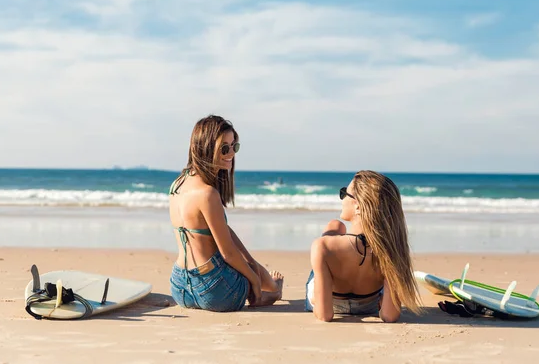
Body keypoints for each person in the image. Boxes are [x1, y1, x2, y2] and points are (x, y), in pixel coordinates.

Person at [169, 115, 283, 312]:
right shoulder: (207, 194)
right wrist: (254, 279)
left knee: (250, 265)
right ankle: (270, 293)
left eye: (234, 146)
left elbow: (221, 229)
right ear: (205, 147)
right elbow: (228, 253)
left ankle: (269, 285)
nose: (231, 153)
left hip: (179, 286)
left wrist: (249, 261)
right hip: (214, 291)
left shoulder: (177, 184)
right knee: (258, 279)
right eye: (224, 148)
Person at [306, 170, 422, 322]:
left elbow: (324, 315)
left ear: (358, 207)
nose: (342, 199)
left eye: (344, 194)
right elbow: (389, 315)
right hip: (369, 305)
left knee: (334, 226)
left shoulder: (322, 246)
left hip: (331, 302)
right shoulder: (391, 248)